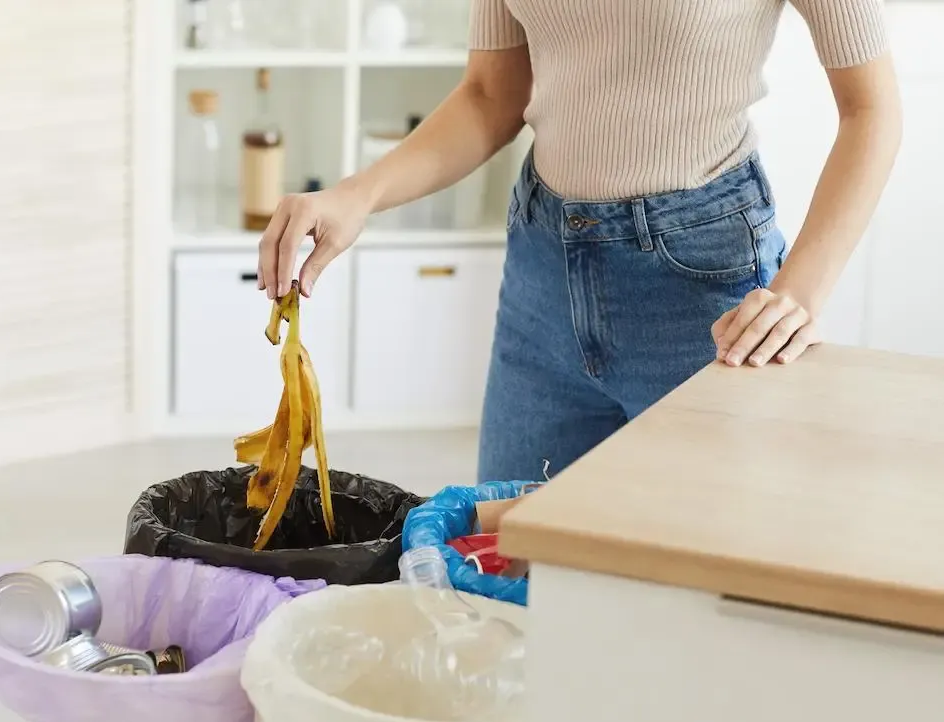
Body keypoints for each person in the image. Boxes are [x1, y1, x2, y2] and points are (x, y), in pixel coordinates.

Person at [257, 0, 901, 483]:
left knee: (691, 596)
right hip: (543, 275)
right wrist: (357, 195)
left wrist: (802, 291)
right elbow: (491, 94)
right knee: (509, 573)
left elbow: (872, 109)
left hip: (703, 291)